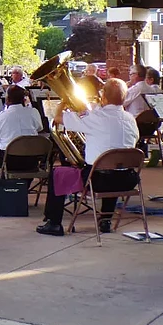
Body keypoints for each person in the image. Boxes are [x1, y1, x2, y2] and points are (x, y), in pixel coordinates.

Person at [38, 78, 139, 236]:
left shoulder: (96, 117)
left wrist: (63, 102)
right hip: (128, 180)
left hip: (97, 180)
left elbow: (58, 119)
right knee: (115, 166)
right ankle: (105, 220)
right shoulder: (131, 119)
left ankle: (54, 223)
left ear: (103, 95)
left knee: (57, 174)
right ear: (124, 98)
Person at [0, 85, 43, 190]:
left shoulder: (0, 116)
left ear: (7, 100)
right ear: (24, 99)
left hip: (9, 160)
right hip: (31, 160)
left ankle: (2, 190)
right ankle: (23, 188)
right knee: (28, 167)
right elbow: (40, 128)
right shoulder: (33, 112)